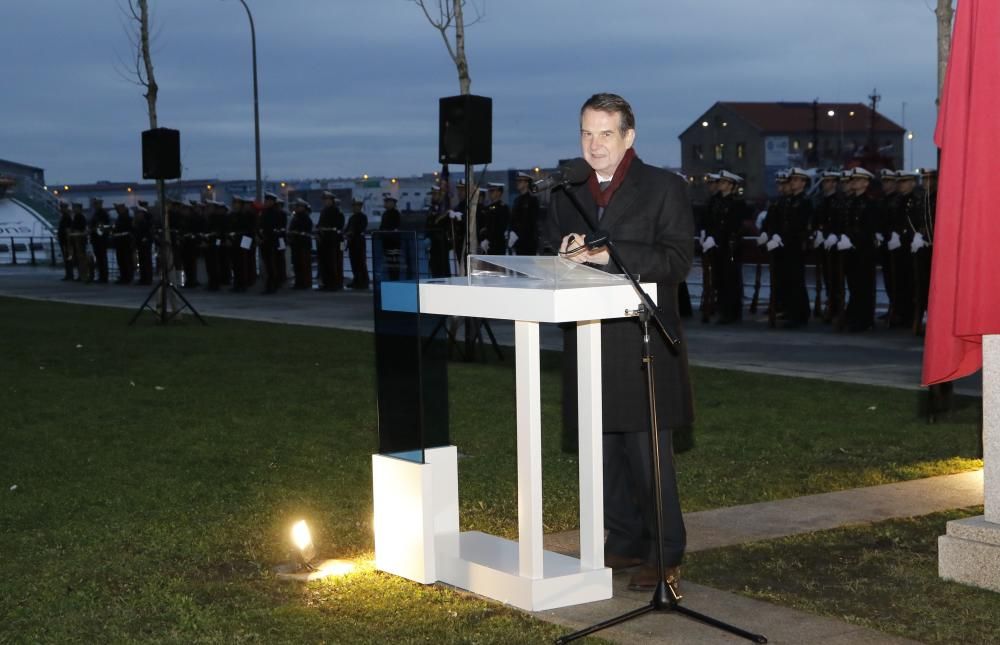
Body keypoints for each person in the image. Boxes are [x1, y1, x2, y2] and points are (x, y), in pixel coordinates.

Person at [543, 93, 693, 596]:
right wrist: (563, 256)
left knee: (648, 454)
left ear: (629, 136)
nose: (594, 144)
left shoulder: (664, 187)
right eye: (587, 132)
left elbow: (675, 261)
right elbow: (555, 257)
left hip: (642, 341)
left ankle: (664, 552)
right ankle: (624, 539)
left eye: (606, 133)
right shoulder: (567, 192)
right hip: (587, 337)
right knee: (603, 453)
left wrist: (610, 255)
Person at [317, 192, 345, 290]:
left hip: (332, 239)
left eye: (328, 200)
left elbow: (339, 226)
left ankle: (333, 284)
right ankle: (326, 283)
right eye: (325, 200)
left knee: (332, 262)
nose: (326, 201)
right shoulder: (324, 211)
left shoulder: (336, 211)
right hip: (324, 239)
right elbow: (320, 224)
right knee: (325, 263)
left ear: (332, 201)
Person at [510, 172, 540, 255]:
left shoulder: (532, 200)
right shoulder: (517, 200)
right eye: (517, 181)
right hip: (517, 242)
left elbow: (532, 223)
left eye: (520, 181)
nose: (517, 183)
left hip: (528, 242)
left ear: (527, 183)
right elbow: (513, 220)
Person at [288, 198, 314, 289]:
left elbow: (305, 231)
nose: (296, 208)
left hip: (303, 244)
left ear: (303, 208)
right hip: (296, 244)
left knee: (304, 264)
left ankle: (305, 283)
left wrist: (296, 233)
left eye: (298, 206)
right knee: (297, 264)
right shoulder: (296, 217)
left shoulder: (305, 218)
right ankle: (299, 282)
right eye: (296, 206)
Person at [345, 197, 369, 289]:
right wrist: (346, 233)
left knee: (361, 262)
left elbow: (361, 228)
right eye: (354, 206)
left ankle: (363, 281)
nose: (355, 208)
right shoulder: (352, 217)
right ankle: (356, 280)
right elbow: (348, 228)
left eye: (357, 206)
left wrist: (352, 232)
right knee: (354, 262)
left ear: (360, 207)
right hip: (352, 242)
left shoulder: (363, 217)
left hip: (359, 241)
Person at [89, 198, 111, 283]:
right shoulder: (97, 214)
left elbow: (102, 227)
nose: (95, 206)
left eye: (97, 204)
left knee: (102, 258)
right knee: (100, 258)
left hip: (100, 239)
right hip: (97, 239)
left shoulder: (102, 214)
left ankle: (104, 277)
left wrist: (94, 229)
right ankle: (102, 276)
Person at [111, 203, 134, 284]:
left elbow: (128, 230)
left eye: (118, 209)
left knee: (126, 260)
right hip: (120, 242)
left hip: (125, 242)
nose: (117, 211)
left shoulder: (126, 218)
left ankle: (127, 277)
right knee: (121, 260)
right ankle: (123, 276)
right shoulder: (120, 217)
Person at [57, 201, 75, 281]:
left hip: (66, 241)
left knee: (68, 257)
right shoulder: (65, 217)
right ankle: (68, 274)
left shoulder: (66, 217)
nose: (61, 209)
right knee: (67, 258)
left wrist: (68, 242)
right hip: (64, 240)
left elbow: (68, 230)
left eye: (62, 207)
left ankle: (70, 274)